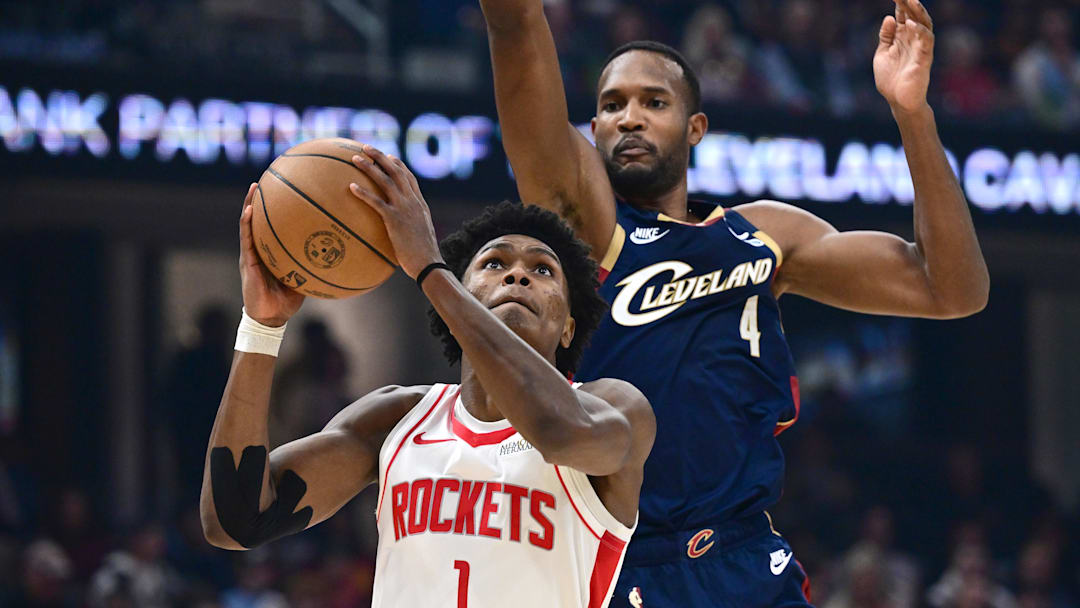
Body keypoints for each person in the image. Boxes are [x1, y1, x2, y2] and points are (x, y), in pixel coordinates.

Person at [476, 0, 989, 605]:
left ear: (695, 128)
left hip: (744, 557)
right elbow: (515, 29)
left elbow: (952, 289)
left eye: (653, 102)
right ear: (593, 131)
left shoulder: (764, 234)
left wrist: (912, 114)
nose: (629, 118)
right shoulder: (587, 225)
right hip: (618, 557)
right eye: (612, 105)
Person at [199, 147, 655, 608]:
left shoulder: (615, 408)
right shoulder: (397, 418)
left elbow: (557, 434)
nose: (517, 275)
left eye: (542, 269)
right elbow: (235, 522)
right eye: (494, 263)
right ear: (464, 290)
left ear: (569, 325)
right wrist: (262, 326)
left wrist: (429, 269)